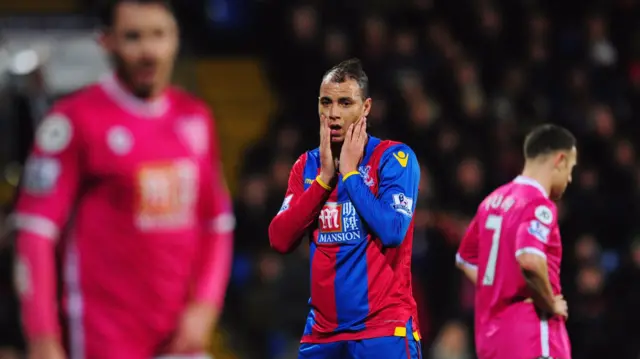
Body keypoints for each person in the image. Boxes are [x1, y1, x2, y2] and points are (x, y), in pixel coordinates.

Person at [12, 1, 234, 358]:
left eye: (159, 35)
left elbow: (217, 222)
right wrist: (42, 337)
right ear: (107, 42)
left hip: (178, 341)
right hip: (102, 341)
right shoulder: (72, 121)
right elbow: (35, 233)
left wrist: (206, 305)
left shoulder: (196, 118)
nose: (148, 51)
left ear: (176, 39)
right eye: (133, 37)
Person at [268, 59, 422, 359]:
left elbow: (392, 231)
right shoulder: (307, 166)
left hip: (383, 329)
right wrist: (325, 180)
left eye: (344, 103)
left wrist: (350, 174)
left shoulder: (394, 158)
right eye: (326, 102)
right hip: (322, 335)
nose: (333, 114)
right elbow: (279, 239)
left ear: (365, 108)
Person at [456, 124, 577, 359]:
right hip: (532, 337)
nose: (570, 178)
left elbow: (465, 259)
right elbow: (530, 259)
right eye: (571, 168)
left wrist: (499, 287)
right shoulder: (538, 204)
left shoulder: (492, 202)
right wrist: (550, 302)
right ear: (560, 160)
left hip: (492, 338)